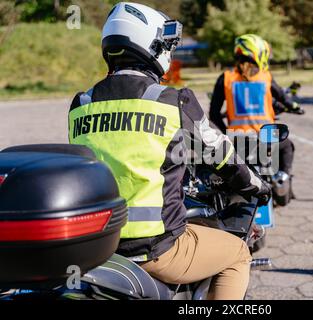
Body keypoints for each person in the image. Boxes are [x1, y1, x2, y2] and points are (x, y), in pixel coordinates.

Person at [67, 2, 270, 300]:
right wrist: (256, 184)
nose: (168, 53)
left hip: (97, 246)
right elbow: (221, 154)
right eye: (166, 45)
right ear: (150, 44)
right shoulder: (172, 100)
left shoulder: (81, 104)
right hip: (154, 249)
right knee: (238, 253)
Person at [209, 34, 298, 176]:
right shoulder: (265, 76)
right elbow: (282, 96)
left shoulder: (226, 78)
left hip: (238, 139)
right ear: (257, 53)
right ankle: (283, 177)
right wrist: (294, 105)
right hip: (267, 136)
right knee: (287, 146)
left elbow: (213, 114)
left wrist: (227, 134)